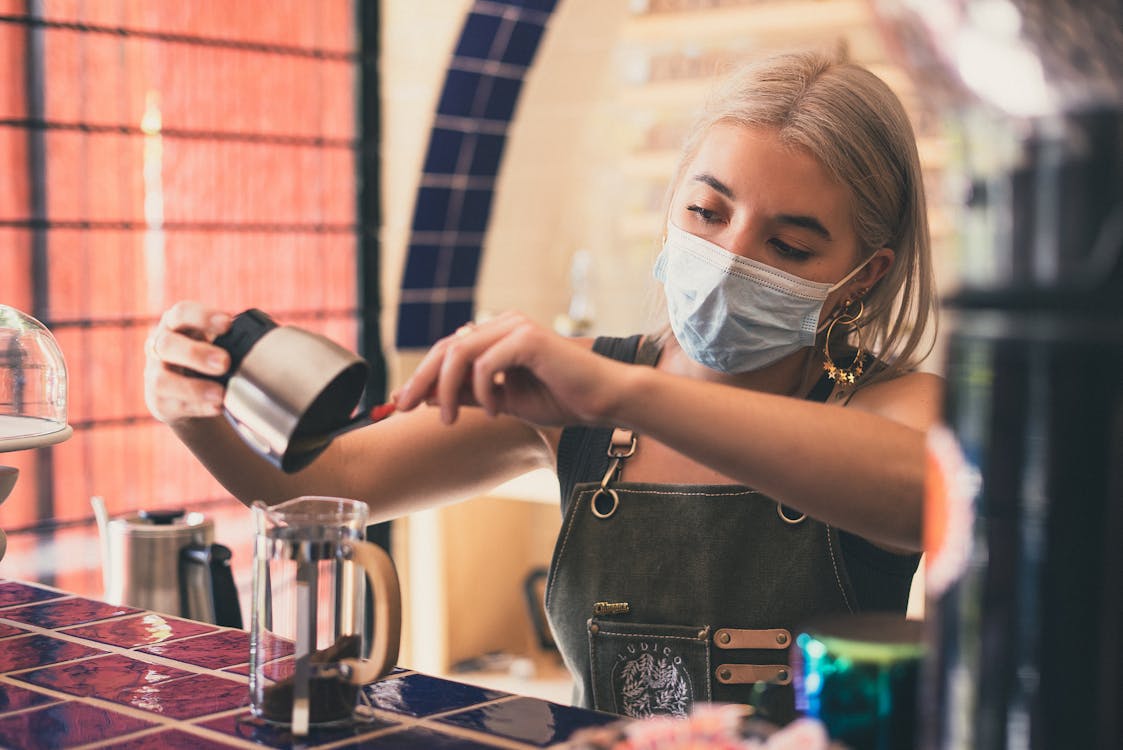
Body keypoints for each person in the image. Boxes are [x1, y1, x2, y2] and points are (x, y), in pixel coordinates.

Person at [144, 50, 941, 722]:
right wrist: (195, 415)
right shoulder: (579, 399)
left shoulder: (886, 407)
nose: (731, 257)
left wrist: (623, 393)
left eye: (790, 246)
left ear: (862, 279)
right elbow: (322, 485)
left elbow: (920, 491)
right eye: (705, 211)